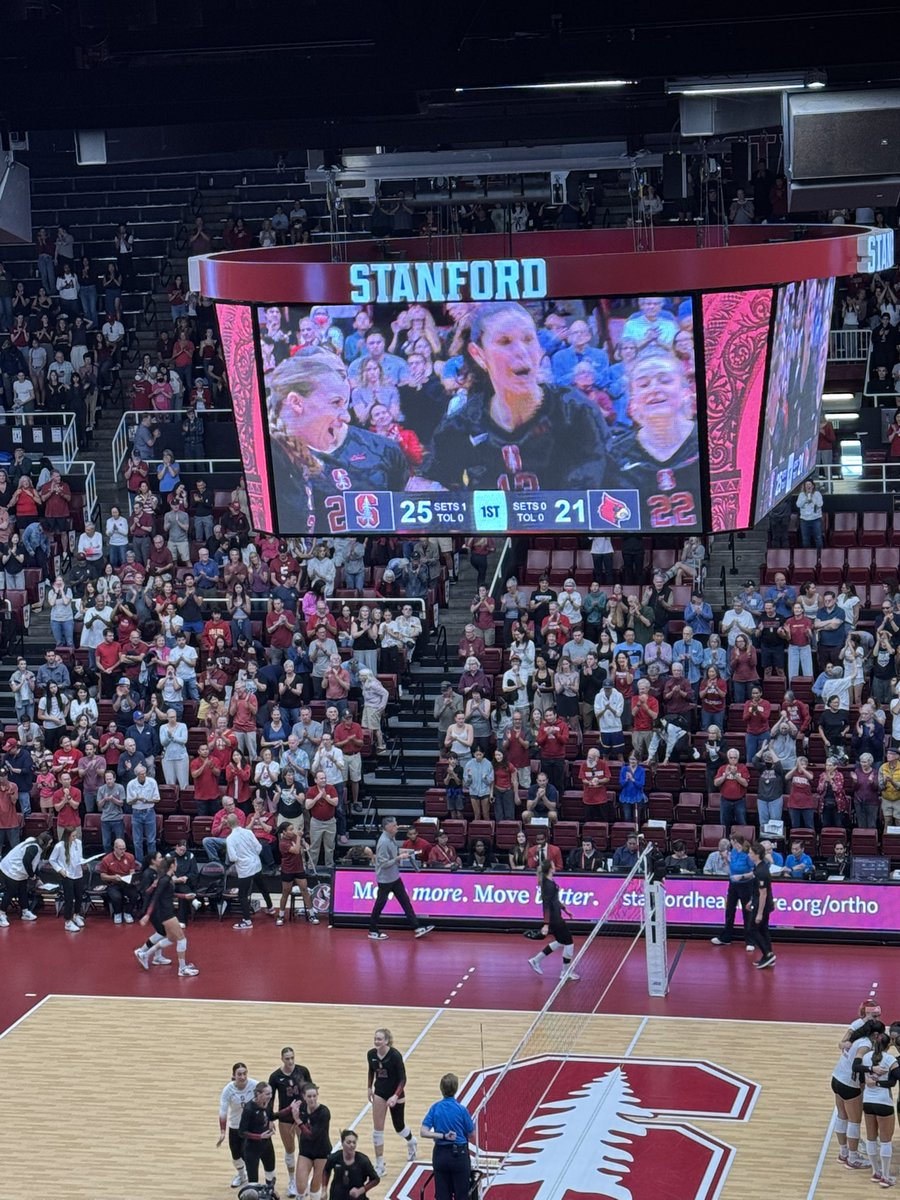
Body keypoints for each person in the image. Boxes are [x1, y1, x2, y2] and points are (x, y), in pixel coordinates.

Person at [426, 301, 611, 491]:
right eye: (504, 342)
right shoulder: (461, 424)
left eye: (528, 339)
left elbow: (612, 492)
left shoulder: (577, 411)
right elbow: (427, 486)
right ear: (479, 355)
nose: (521, 352)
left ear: (539, 348)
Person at [266, 351, 410, 532]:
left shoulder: (385, 449)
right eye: (328, 373)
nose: (339, 381)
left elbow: (400, 511)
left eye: (342, 375)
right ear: (296, 401)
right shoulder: (274, 457)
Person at [368, 816, 434, 942]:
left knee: (405, 901)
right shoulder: (383, 842)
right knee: (380, 904)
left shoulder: (391, 837)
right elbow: (383, 864)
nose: (396, 827)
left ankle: (416, 927)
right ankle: (372, 930)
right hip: (385, 879)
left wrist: (400, 855)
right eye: (394, 825)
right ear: (387, 827)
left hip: (394, 877)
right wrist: (399, 858)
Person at [134, 854, 200, 976]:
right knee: (182, 939)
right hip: (166, 913)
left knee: (171, 938)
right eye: (176, 863)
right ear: (172, 866)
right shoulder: (164, 880)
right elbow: (155, 897)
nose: (177, 865)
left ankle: (145, 954)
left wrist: (184, 896)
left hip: (167, 912)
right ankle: (182, 968)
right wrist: (147, 915)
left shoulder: (167, 879)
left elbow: (171, 894)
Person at [367, 1027, 418, 1177]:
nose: (376, 1041)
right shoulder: (371, 1054)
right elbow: (371, 1071)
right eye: (375, 1038)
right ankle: (379, 1164)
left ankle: (411, 1140)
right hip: (380, 1093)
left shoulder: (395, 1056)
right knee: (377, 1130)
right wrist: (369, 1088)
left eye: (379, 1039)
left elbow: (403, 1079)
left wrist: (395, 1096)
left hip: (396, 1092)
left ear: (387, 1041)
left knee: (399, 1127)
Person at [421, 1072, 476, 1200]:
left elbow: (423, 1132)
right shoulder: (461, 1110)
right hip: (459, 1156)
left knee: (442, 1196)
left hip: (440, 1155)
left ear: (441, 1089)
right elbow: (472, 1134)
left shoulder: (435, 1108)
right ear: (456, 1089)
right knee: (462, 1195)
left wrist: (443, 1136)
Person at [854, 1032, 899, 1186]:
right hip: (883, 1103)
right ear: (889, 1045)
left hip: (868, 1102)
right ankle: (886, 1177)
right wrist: (880, 1083)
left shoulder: (866, 1058)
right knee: (886, 1141)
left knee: (871, 1138)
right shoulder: (890, 1059)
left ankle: (875, 1172)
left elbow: (859, 1072)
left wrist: (870, 1080)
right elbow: (894, 1081)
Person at [269, 1046, 312, 1197]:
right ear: (282, 1059)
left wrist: (309, 1113)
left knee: (305, 1149)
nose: (290, 1061)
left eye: (292, 1058)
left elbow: (310, 1091)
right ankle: (292, 1181)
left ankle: (303, 1180)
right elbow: (270, 1099)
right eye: (287, 1058)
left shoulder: (302, 1071)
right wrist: (270, 1118)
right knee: (290, 1149)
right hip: (285, 1117)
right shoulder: (275, 1077)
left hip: (302, 1116)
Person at [528, 858, 579, 980]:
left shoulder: (550, 882)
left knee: (561, 941)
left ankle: (535, 960)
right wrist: (546, 924)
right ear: (550, 868)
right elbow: (546, 905)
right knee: (569, 942)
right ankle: (565, 973)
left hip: (556, 916)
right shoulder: (548, 885)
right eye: (553, 864)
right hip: (554, 919)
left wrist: (565, 909)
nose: (555, 866)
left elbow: (554, 901)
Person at [280, 1082, 332, 1200]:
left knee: (314, 1187)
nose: (312, 1099)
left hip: (322, 1152)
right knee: (300, 1186)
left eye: (314, 1096)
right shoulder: (301, 1108)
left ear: (318, 1095)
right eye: (309, 1096)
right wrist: (288, 1110)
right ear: (303, 1096)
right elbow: (282, 1115)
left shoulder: (324, 1112)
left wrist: (297, 1120)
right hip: (306, 1151)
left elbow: (312, 1135)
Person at [226, 814, 274, 930]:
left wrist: (241, 859)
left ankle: (247, 921)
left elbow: (232, 858)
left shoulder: (230, 839)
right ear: (238, 821)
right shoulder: (248, 832)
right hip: (256, 865)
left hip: (244, 868)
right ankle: (270, 907)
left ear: (228, 825)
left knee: (242, 895)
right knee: (262, 886)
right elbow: (258, 848)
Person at [218, 1062, 258, 1191]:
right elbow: (223, 1110)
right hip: (235, 1126)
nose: (242, 1076)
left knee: (248, 1154)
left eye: (245, 1073)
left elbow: (267, 1099)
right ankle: (242, 1175)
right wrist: (223, 1131)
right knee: (236, 1155)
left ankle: (252, 1180)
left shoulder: (254, 1085)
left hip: (251, 1126)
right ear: (234, 1076)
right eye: (239, 1074)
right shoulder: (228, 1089)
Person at [238, 1081, 279, 1192]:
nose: (270, 1096)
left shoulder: (267, 1103)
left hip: (267, 1145)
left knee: (270, 1172)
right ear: (258, 1094)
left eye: (271, 1093)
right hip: (252, 1149)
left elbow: (272, 1116)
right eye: (267, 1094)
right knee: (253, 1182)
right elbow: (242, 1132)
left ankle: (270, 1193)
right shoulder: (249, 1109)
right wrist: (259, 1136)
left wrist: (290, 1109)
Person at [322, 1129, 380, 1200]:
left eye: (354, 1142)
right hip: (337, 1196)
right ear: (342, 1143)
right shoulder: (334, 1158)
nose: (352, 1145)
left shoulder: (363, 1161)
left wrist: (361, 1190)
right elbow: (326, 1170)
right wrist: (324, 1189)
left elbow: (375, 1179)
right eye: (348, 1142)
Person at [48, 826, 86, 933]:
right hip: (67, 875)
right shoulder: (59, 846)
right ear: (67, 836)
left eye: (75, 835)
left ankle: (76, 915)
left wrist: (83, 861)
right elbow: (52, 860)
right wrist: (60, 870)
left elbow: (79, 857)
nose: (75, 838)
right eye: (73, 836)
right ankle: (68, 921)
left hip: (78, 873)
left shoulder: (78, 843)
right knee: (69, 898)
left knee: (79, 896)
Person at [747, 840, 776, 969]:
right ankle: (769, 956)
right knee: (763, 930)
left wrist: (759, 913)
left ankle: (768, 954)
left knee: (753, 929)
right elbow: (757, 891)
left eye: (750, 853)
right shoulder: (759, 867)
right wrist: (751, 901)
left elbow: (763, 894)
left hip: (762, 906)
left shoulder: (761, 872)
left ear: (757, 854)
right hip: (759, 902)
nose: (749, 854)